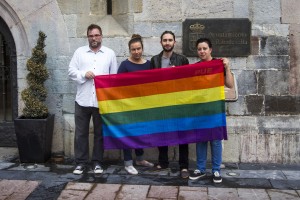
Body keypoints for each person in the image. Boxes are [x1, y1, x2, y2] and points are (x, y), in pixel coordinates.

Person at [68, 24, 118, 175]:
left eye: (96, 35)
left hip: (100, 101)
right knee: (80, 133)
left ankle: (97, 162)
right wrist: (83, 74)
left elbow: (113, 78)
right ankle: (81, 163)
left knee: (99, 133)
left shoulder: (109, 54)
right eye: (91, 36)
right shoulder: (79, 52)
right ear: (87, 37)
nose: (94, 38)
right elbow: (71, 71)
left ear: (101, 36)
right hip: (82, 100)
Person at [189, 38, 234, 183]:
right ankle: (200, 169)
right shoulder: (194, 68)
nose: (202, 51)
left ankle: (216, 170)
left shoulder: (218, 64)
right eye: (199, 49)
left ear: (210, 50)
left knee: (215, 140)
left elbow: (229, 84)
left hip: (215, 109)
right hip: (199, 109)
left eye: (204, 48)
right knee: (200, 139)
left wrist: (227, 67)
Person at [150, 30, 190, 179]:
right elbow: (150, 82)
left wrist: (177, 75)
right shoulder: (154, 60)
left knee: (182, 135)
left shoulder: (182, 60)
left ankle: (184, 165)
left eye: (170, 40)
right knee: (162, 133)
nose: (167, 43)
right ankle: (163, 162)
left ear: (174, 42)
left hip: (178, 103)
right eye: (165, 40)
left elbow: (188, 82)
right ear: (161, 42)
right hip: (161, 103)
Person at [117, 34, 154, 175]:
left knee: (141, 132)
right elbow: (117, 86)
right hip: (128, 106)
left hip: (143, 106)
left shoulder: (149, 64)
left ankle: (139, 159)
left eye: (138, 49)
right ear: (129, 50)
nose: (136, 52)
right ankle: (128, 163)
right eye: (133, 49)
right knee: (128, 133)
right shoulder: (125, 65)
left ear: (142, 48)